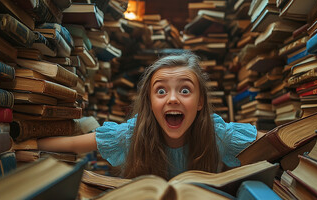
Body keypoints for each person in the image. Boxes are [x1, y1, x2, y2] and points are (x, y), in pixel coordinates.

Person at [38, 51, 264, 180]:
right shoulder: (131, 133)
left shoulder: (218, 134)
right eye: (161, 91)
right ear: (149, 101)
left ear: (200, 102)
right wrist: (27, 143)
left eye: (185, 90)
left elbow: (274, 141)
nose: (173, 99)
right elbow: (74, 144)